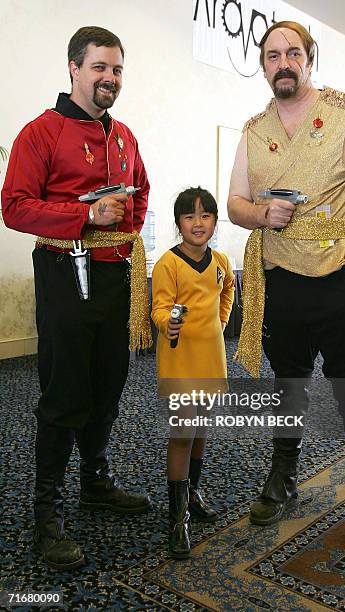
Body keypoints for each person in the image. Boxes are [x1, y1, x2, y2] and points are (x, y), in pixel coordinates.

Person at [228, 21, 345, 560]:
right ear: (264, 66)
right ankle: (283, 478)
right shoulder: (253, 130)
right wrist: (259, 213)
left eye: (294, 53)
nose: (284, 62)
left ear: (309, 59)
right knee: (289, 387)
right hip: (282, 278)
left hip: (340, 277)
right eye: (273, 54)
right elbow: (234, 202)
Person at [1, 26, 153, 570]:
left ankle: (95, 481)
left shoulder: (125, 135)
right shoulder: (39, 133)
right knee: (65, 390)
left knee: (110, 381)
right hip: (64, 271)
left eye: (116, 70)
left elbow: (141, 191)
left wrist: (123, 230)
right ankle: (48, 510)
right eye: (99, 68)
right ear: (74, 68)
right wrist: (84, 216)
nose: (109, 78)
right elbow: (14, 207)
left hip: (116, 274)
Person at [151, 187, 234, 558]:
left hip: (211, 358)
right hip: (179, 359)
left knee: (201, 428)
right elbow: (159, 306)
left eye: (205, 215)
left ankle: (193, 494)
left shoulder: (221, 261)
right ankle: (176, 518)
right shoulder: (167, 264)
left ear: (215, 220)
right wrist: (165, 322)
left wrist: (220, 321)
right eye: (189, 216)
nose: (198, 223)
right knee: (182, 433)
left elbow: (228, 290)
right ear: (178, 223)